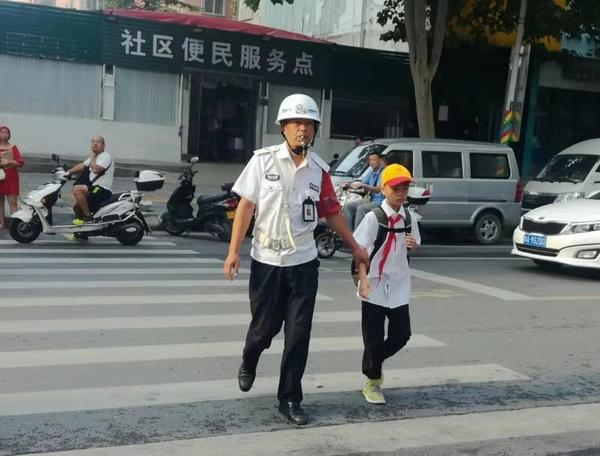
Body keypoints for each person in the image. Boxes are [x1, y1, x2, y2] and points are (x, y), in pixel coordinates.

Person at [223, 93, 369, 426]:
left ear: (315, 130)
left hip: (303, 263)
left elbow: (331, 211)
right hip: (266, 261)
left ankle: (290, 398)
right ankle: (250, 356)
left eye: (308, 124)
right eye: (296, 123)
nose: (302, 129)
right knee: (264, 329)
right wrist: (233, 252)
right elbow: (246, 207)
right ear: (283, 127)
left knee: (298, 334)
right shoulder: (262, 162)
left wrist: (355, 246)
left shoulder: (319, 172)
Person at [354, 164, 421, 405]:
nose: (401, 194)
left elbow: (415, 242)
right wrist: (362, 280)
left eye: (405, 189)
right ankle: (372, 382)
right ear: (383, 189)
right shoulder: (374, 218)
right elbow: (360, 252)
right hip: (373, 286)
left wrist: (413, 244)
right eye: (396, 189)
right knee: (373, 338)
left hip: (399, 285)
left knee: (402, 334)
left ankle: (373, 362)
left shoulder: (409, 217)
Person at [65, 135, 113, 225]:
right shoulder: (95, 156)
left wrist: (92, 158)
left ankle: (88, 217)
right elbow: (82, 165)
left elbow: (96, 170)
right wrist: (67, 172)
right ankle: (81, 229)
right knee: (77, 208)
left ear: (103, 145)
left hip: (103, 190)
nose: (95, 143)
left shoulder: (106, 156)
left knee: (77, 189)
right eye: (93, 141)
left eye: (98, 142)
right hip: (94, 188)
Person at [342, 150, 385, 231]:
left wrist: (364, 186)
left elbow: (378, 189)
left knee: (361, 208)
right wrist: (349, 184)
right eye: (370, 160)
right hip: (370, 200)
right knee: (348, 206)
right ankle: (349, 233)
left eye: (374, 160)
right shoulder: (371, 172)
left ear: (379, 160)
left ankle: (358, 235)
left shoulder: (383, 172)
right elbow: (363, 181)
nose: (372, 162)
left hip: (379, 201)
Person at [0, 126, 25, 230]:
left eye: (6, 132)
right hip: (0, 175)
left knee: (13, 201)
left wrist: (8, 162)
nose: (4, 134)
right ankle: (1, 222)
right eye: (2, 132)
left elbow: (20, 163)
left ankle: (15, 224)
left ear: (9, 135)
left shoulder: (13, 147)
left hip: (11, 176)